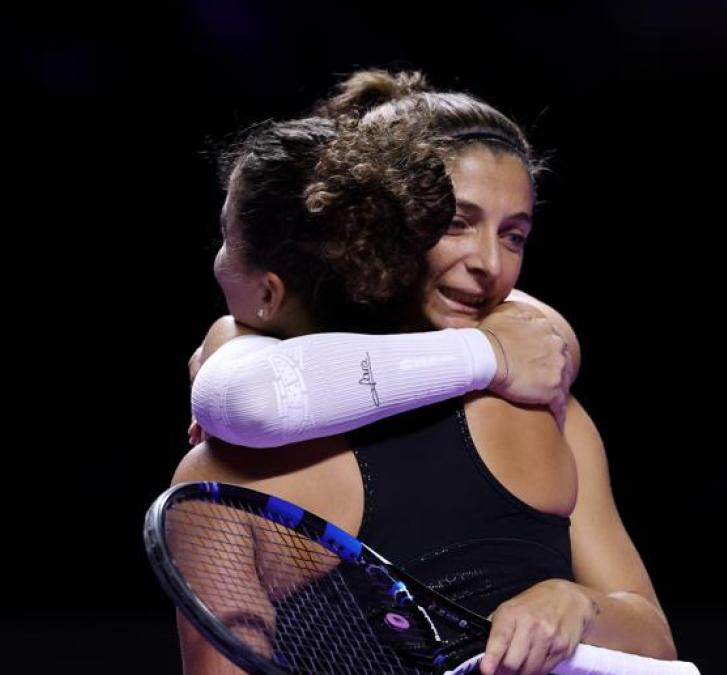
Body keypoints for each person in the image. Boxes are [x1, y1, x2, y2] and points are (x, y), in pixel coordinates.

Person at [176, 71, 676, 675]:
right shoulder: (227, 465)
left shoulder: (549, 410)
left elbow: (654, 640)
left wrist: (576, 605)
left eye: (514, 235)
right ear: (374, 223)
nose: (490, 264)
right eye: (457, 223)